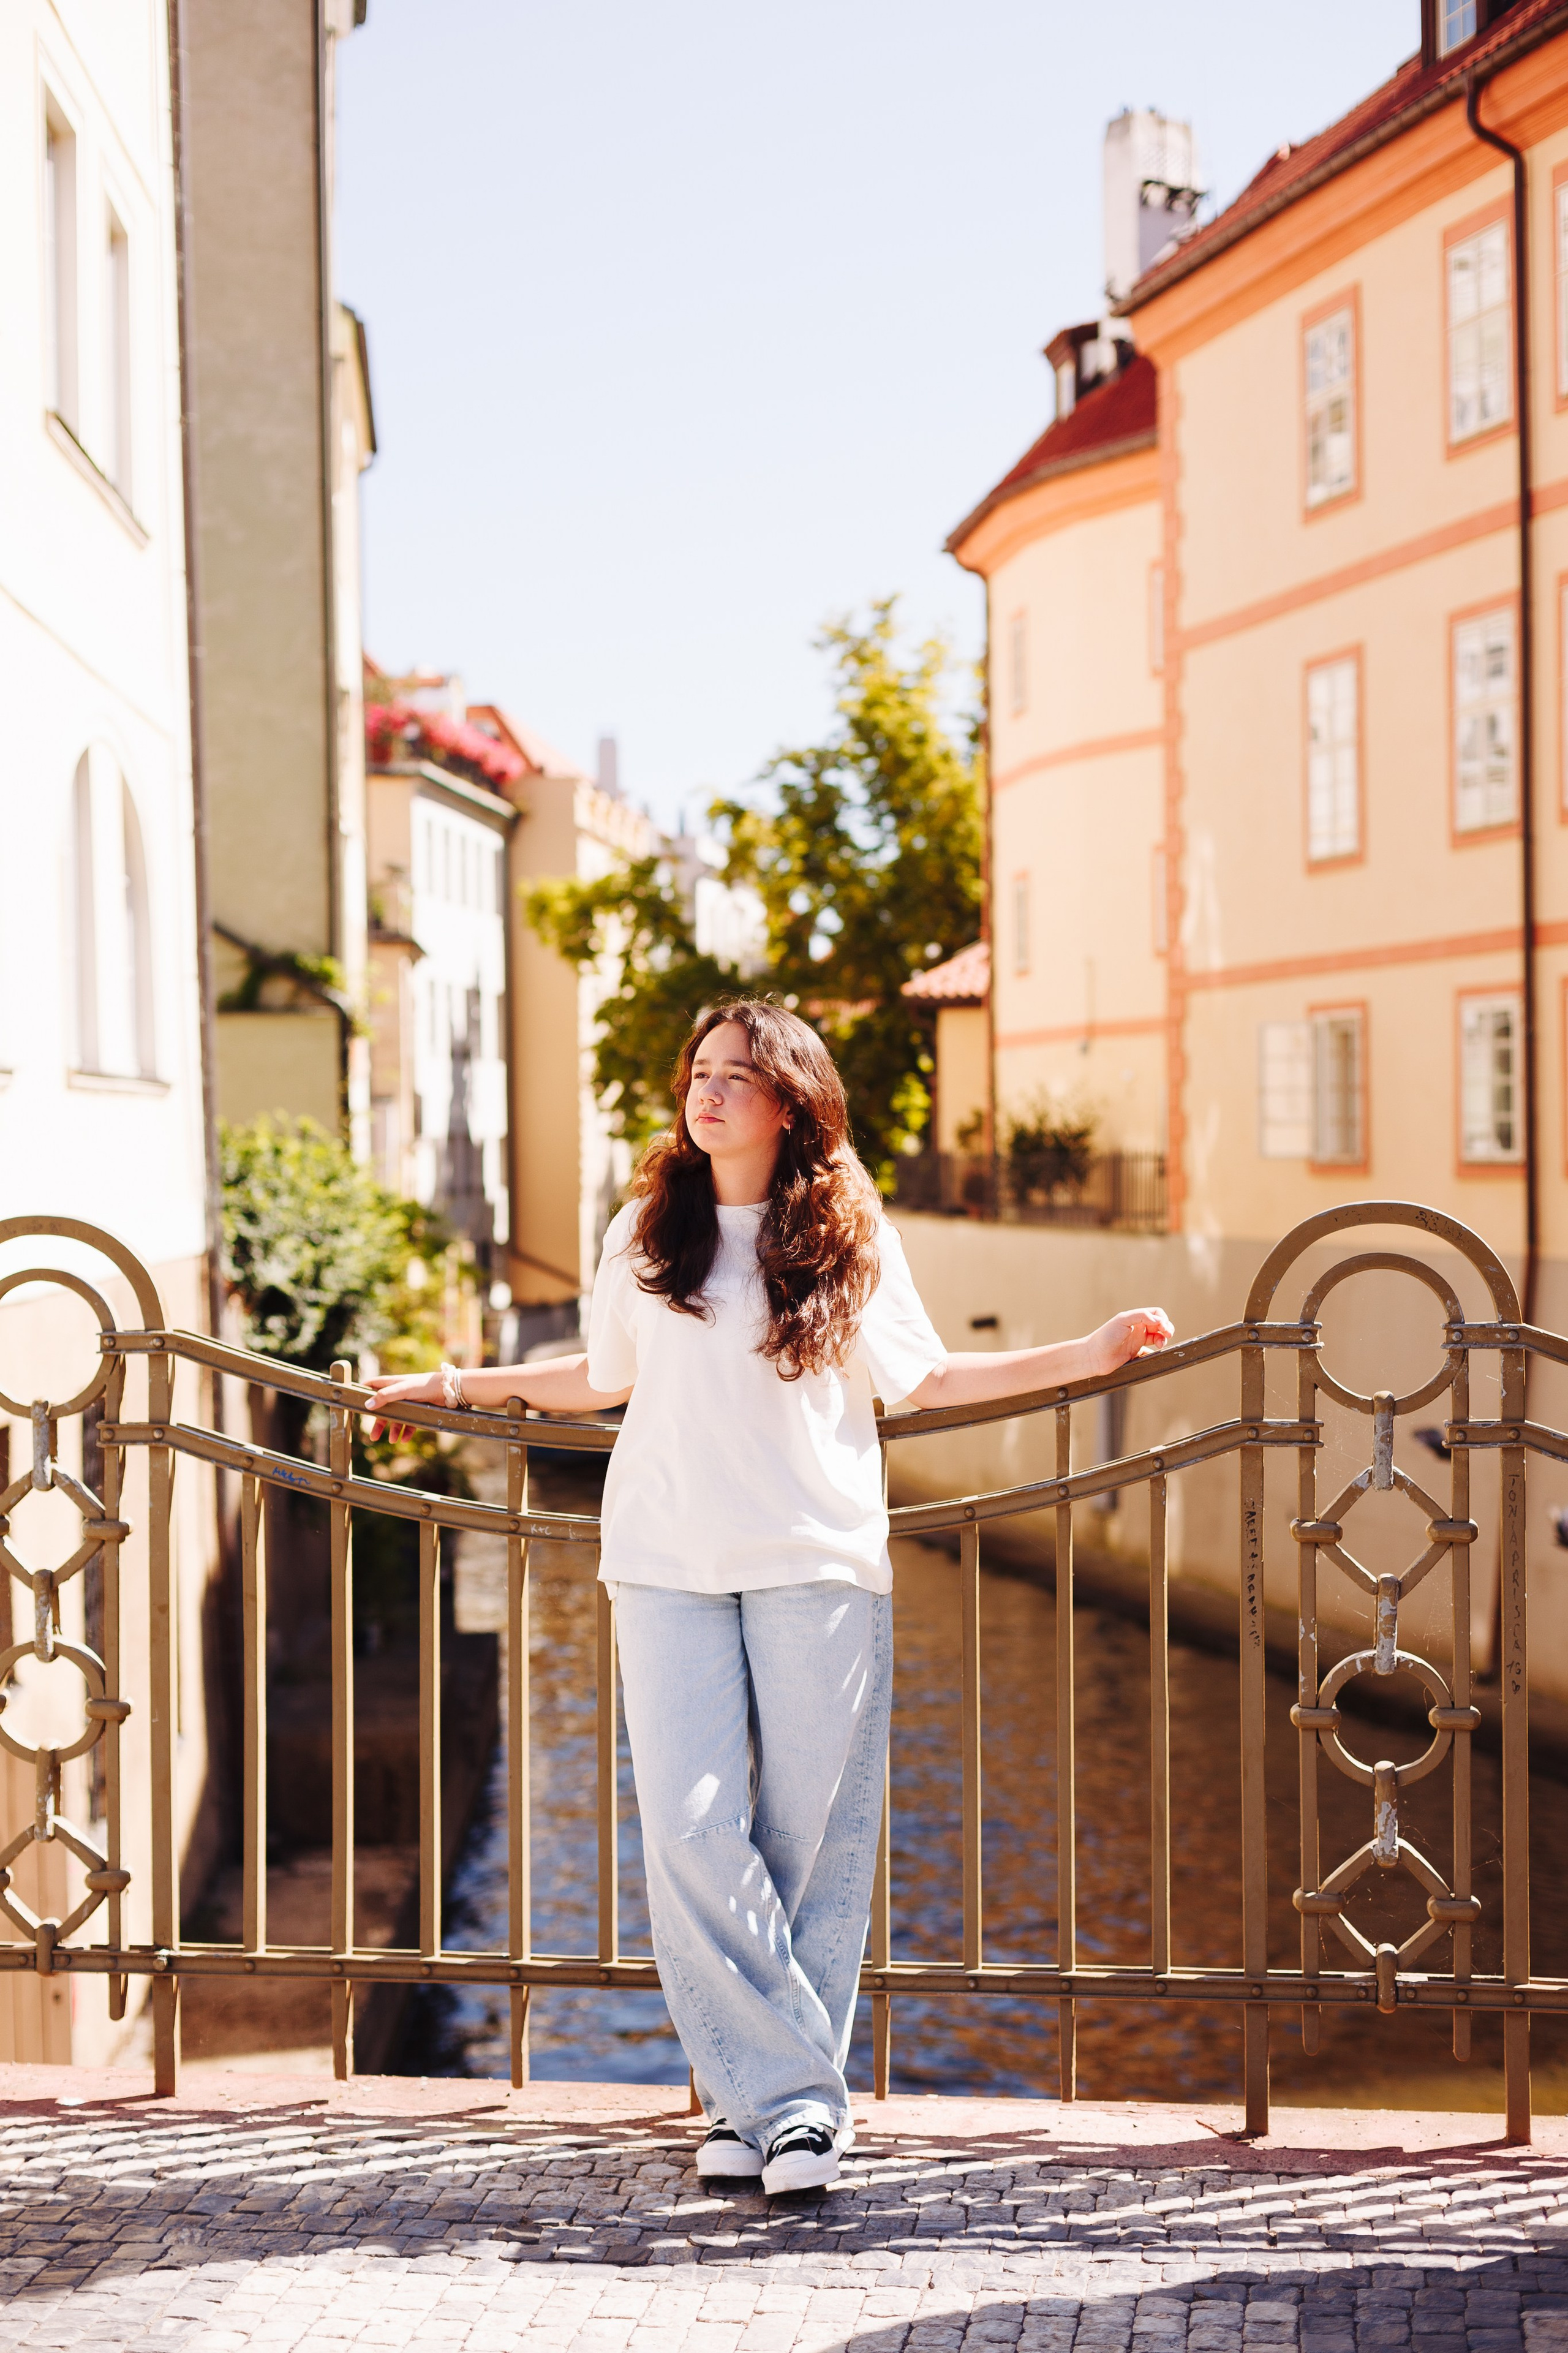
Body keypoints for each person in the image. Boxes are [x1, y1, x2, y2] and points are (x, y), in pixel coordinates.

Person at [366, 999, 1172, 2195]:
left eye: (737, 1075)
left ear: (789, 1099)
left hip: (817, 1561)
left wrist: (1087, 1354)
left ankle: (757, 2116)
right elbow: (596, 1379)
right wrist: (449, 1381)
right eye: (699, 1072)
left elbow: (927, 1372)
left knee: (812, 1849)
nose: (709, 1091)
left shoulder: (845, 1226)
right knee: (694, 1832)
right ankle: (799, 2101)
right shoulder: (643, 1225)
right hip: (664, 1562)